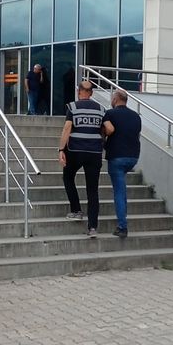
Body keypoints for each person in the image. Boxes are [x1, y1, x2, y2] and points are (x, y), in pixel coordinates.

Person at [58, 79, 106, 238]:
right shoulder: (101, 109)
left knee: (68, 177)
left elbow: (67, 128)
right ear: (91, 93)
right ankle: (92, 228)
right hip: (94, 152)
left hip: (75, 150)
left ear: (79, 92)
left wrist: (61, 149)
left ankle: (76, 210)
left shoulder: (73, 107)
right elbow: (106, 129)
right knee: (92, 190)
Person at [103, 89, 142, 238]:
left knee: (119, 192)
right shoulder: (136, 116)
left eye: (113, 98)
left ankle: (122, 226)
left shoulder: (110, 114)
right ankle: (122, 219)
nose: (112, 100)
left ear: (116, 99)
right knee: (122, 189)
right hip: (133, 157)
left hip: (116, 157)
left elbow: (107, 131)